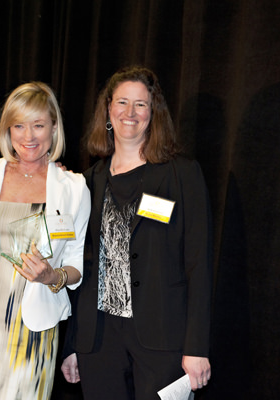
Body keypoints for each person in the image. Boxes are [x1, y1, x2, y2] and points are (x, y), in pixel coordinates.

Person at [61, 66, 213, 400]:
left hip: (163, 337)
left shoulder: (182, 175)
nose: (130, 113)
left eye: (141, 105)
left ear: (153, 113)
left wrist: (197, 346)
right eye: (122, 103)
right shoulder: (86, 182)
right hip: (98, 339)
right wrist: (72, 344)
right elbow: (78, 265)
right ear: (108, 111)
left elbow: (200, 264)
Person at [0, 82, 91, 399]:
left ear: (54, 128)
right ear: (7, 129)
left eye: (38, 125)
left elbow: (76, 267)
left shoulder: (73, 188)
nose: (28, 137)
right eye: (19, 126)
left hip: (32, 335)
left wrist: (52, 276)